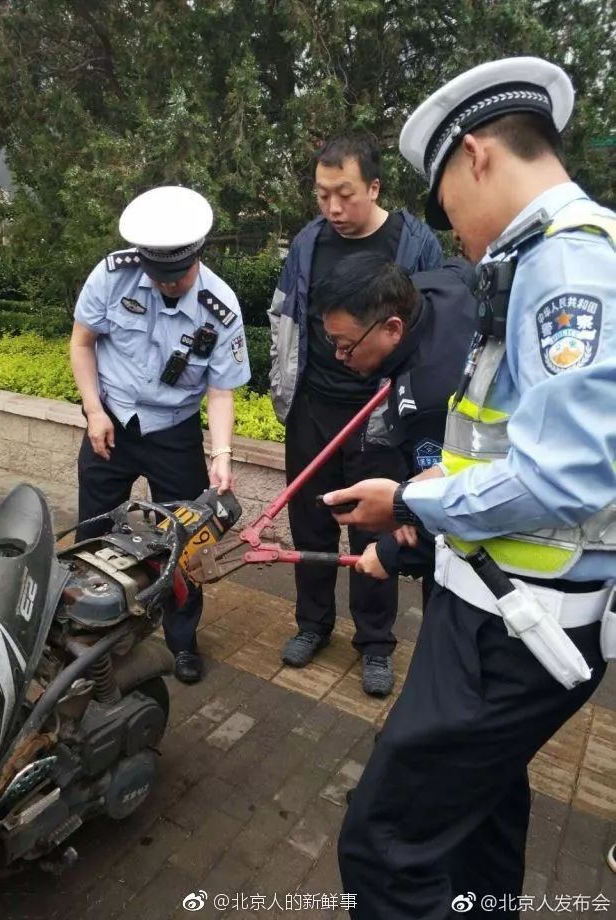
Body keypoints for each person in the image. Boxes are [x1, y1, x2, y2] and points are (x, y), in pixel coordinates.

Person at [327, 57, 616, 919]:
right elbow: (503, 442)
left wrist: (411, 503)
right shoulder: (540, 260)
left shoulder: (568, 270)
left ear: (480, 155)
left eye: (447, 198)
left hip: (515, 632)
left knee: (382, 843)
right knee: (478, 817)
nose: (451, 228)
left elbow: (565, 475)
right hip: (496, 610)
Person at [268, 133, 443, 696]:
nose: (333, 209)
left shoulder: (414, 245)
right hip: (313, 409)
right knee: (311, 521)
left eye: (344, 194)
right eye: (322, 196)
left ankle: (375, 643)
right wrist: (284, 393)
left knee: (374, 524)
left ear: (373, 186)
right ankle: (313, 624)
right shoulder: (308, 243)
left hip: (382, 415)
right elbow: (286, 321)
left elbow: (430, 333)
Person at [70, 186, 250, 685]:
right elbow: (83, 343)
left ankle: (182, 641)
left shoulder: (220, 308)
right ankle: (87, 633)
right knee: (93, 531)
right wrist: (92, 411)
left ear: (198, 255)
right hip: (112, 423)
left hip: (173, 432)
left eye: (179, 276)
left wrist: (222, 454)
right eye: (159, 276)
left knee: (182, 540)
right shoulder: (113, 275)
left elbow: (220, 392)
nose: (169, 285)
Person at [318, 251, 477, 601]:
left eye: (346, 347)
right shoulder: (428, 289)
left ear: (393, 328)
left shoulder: (430, 399)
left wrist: (391, 547)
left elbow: (452, 493)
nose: (339, 357)